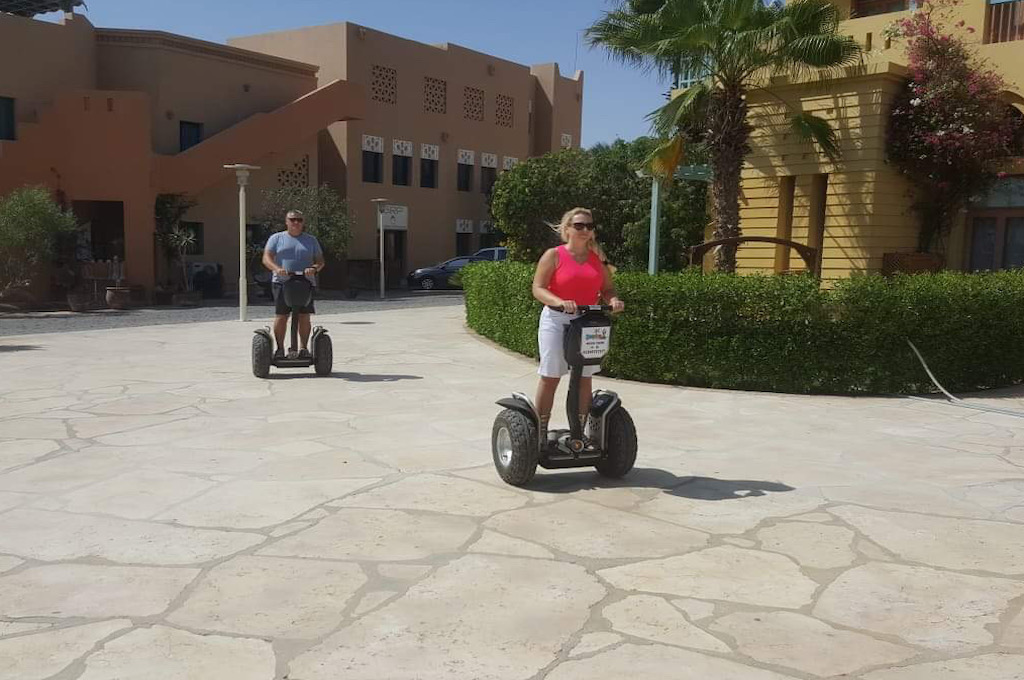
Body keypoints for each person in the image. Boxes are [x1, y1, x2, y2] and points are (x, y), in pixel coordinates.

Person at [531, 207, 624, 437]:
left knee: (585, 376)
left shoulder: (597, 259)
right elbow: (538, 288)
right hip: (557, 318)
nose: (585, 230)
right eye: (579, 225)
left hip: (588, 321)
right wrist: (560, 301)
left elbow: (607, 288)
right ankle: (540, 431)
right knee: (551, 374)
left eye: (589, 226)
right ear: (567, 229)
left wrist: (613, 300)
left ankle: (578, 432)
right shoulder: (554, 255)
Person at [262, 210, 326, 359]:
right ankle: (279, 349)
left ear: (303, 222)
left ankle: (303, 348)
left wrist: (314, 268)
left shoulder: (311, 240)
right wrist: (277, 269)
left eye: (299, 220)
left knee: (304, 316)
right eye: (292, 220)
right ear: (286, 222)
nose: (296, 222)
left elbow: (320, 261)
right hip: (282, 282)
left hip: (305, 282)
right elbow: (266, 258)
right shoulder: (276, 238)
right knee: (282, 315)